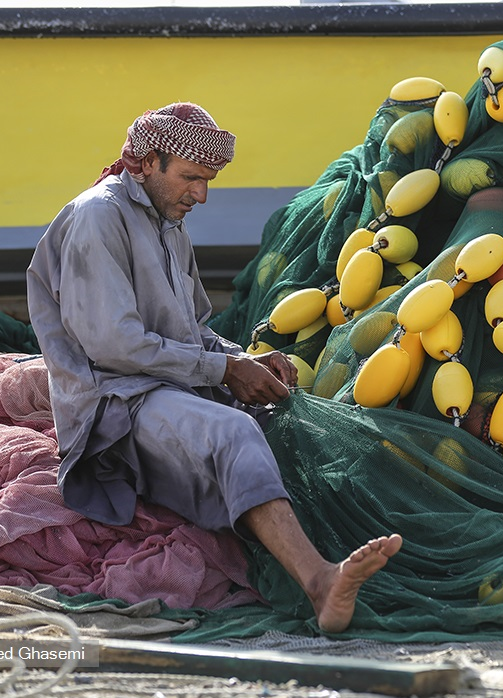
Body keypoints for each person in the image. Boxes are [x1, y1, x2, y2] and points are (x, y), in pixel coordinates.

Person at [26, 102, 401, 633]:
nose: (200, 195)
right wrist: (222, 372)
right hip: (115, 405)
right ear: (147, 162)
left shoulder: (168, 223)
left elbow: (193, 329)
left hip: (167, 382)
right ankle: (319, 582)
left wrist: (239, 358)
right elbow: (114, 345)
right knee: (233, 431)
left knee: (295, 419)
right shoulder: (97, 217)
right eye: (191, 178)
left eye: (207, 181)